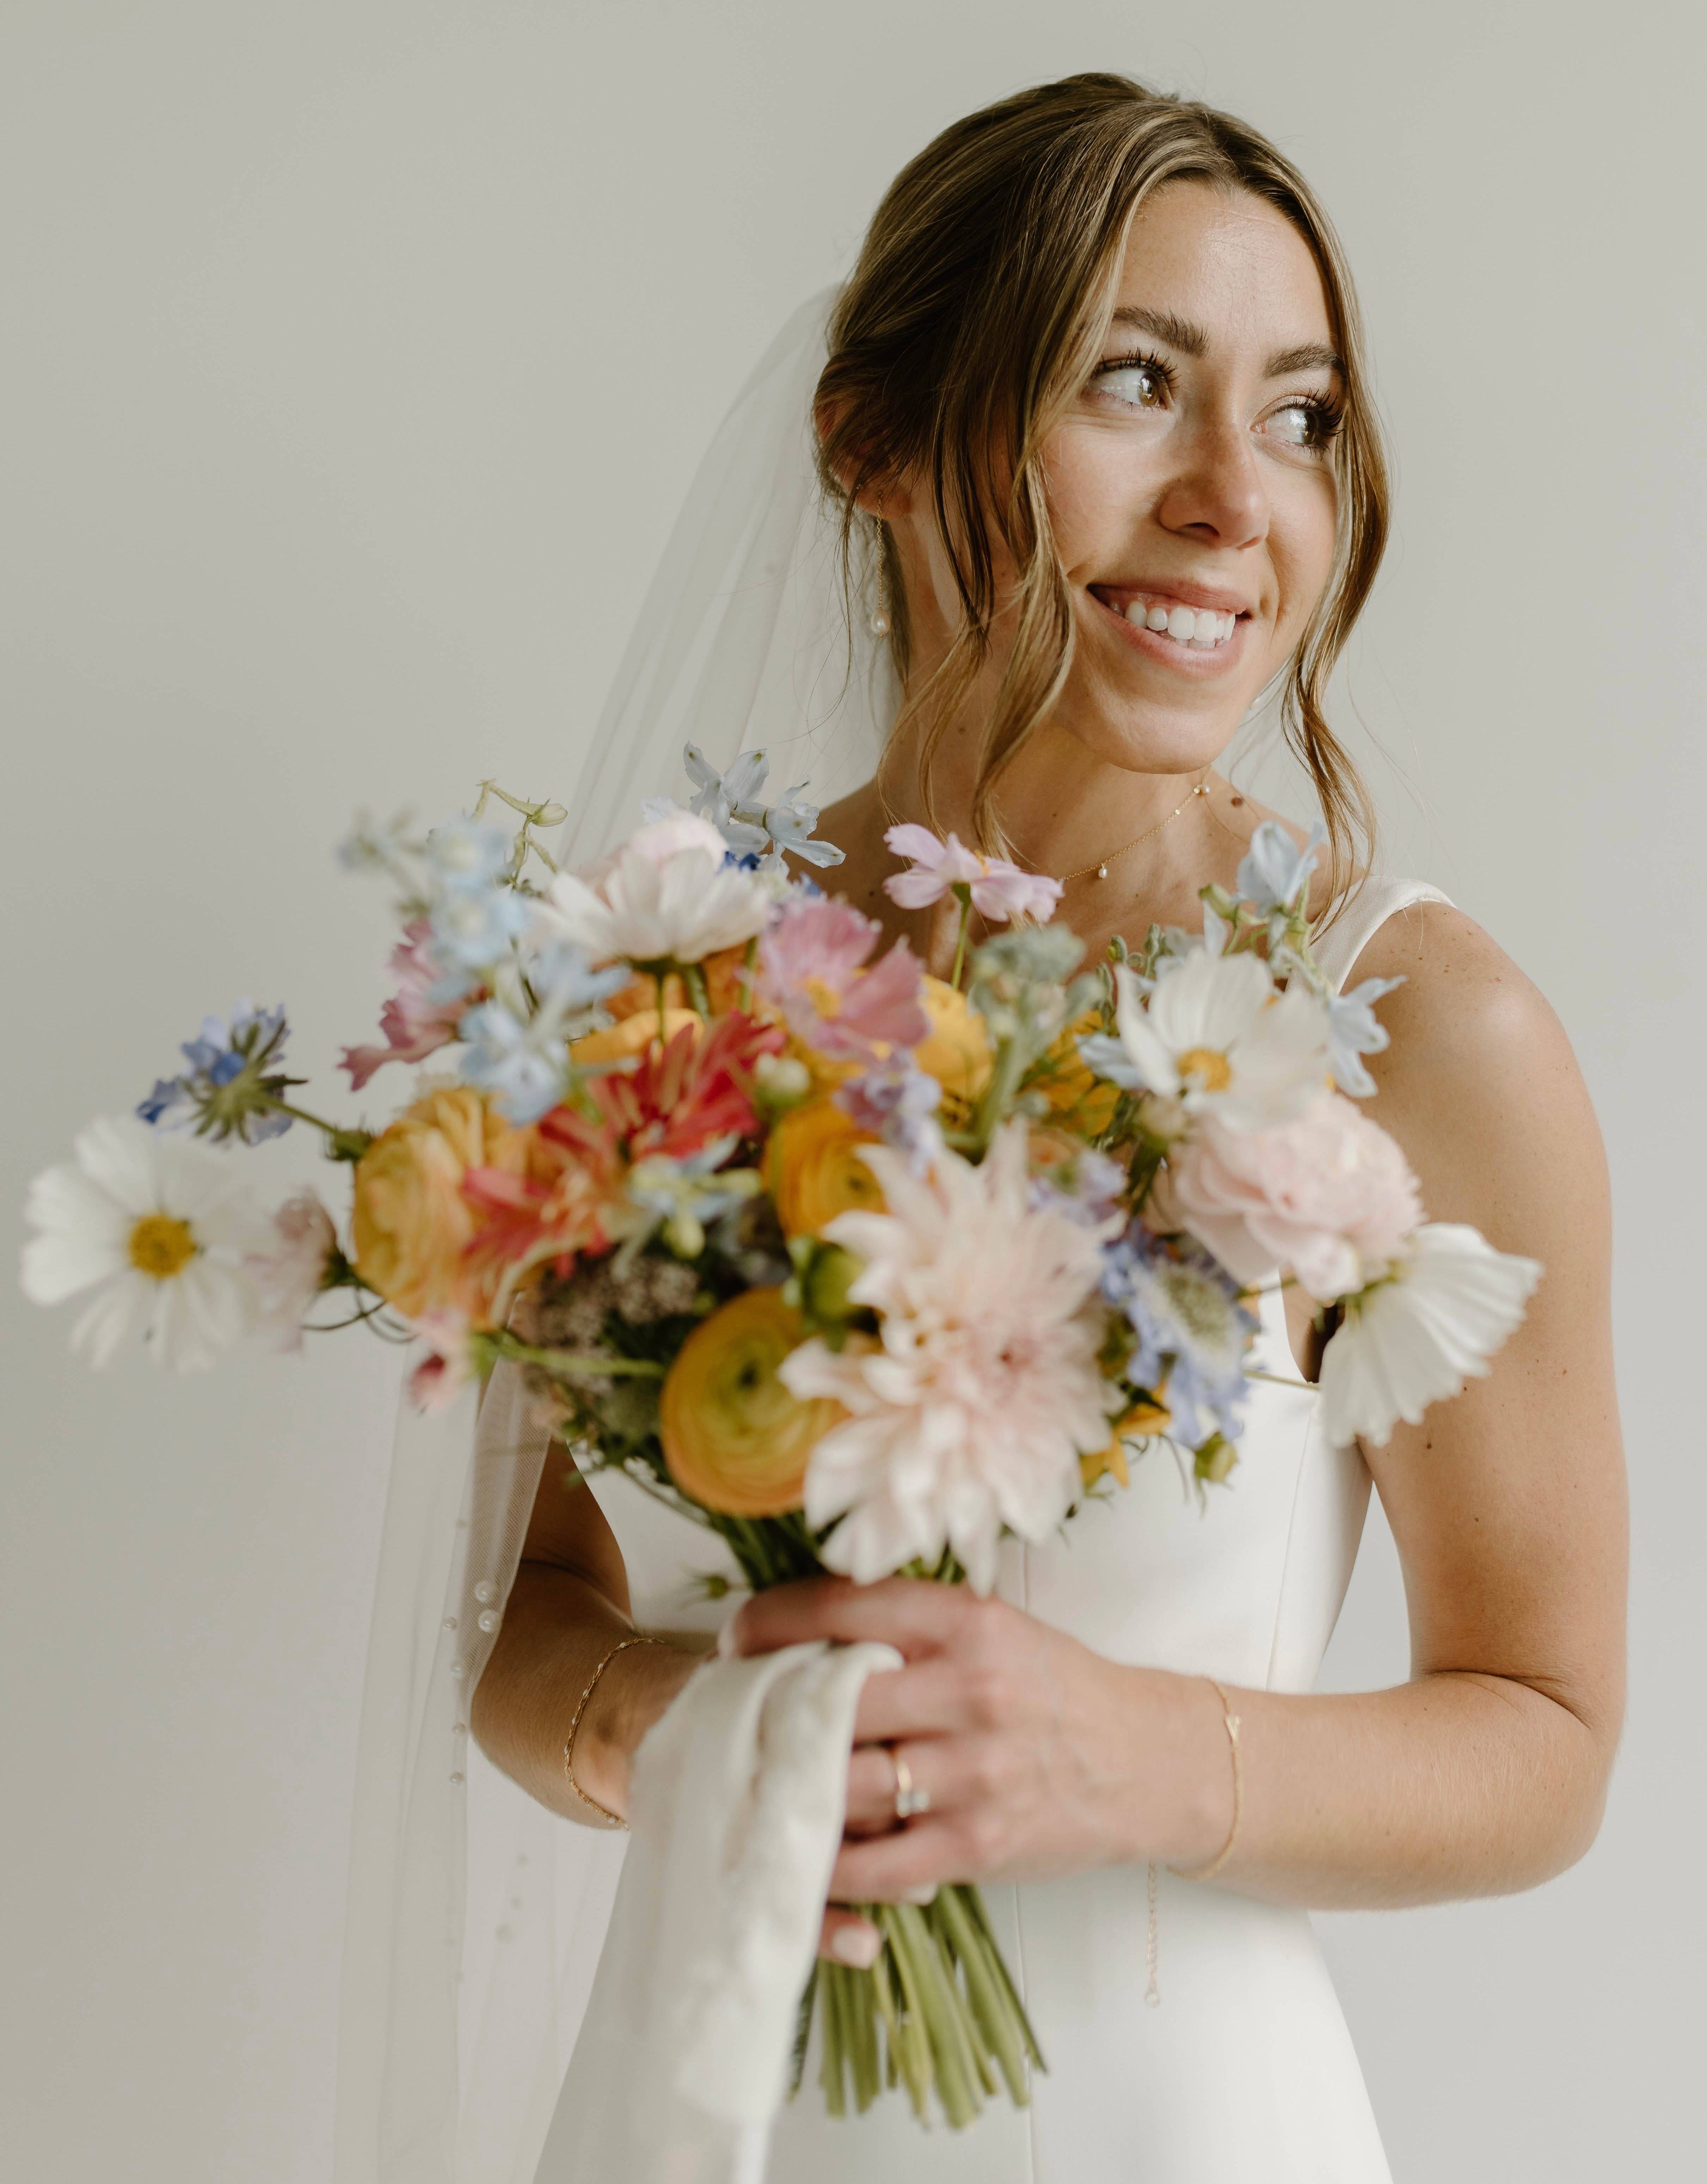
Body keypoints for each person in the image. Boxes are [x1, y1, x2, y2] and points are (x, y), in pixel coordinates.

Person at [463, 73, 1626, 2182]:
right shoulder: (664, 981)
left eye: (1299, 416)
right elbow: (523, 1607)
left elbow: (1546, 1739)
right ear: (873, 439)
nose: (1231, 500)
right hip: (723, 2098)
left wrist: (1135, 1755)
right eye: (1131, 382)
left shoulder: (1421, 1024)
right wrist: (683, 1732)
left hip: (1179, 2124)